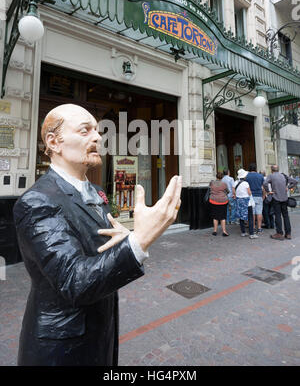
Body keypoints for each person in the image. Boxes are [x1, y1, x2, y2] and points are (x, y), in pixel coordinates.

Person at [13, 104, 182, 366]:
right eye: (85, 131)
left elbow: (98, 251)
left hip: (99, 335)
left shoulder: (94, 191)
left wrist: (125, 239)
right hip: (63, 348)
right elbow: (73, 280)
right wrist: (139, 241)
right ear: (53, 142)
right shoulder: (36, 202)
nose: (97, 137)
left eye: (98, 130)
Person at [264, 165, 297, 240]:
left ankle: (279, 233)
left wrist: (269, 192)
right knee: (285, 216)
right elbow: (295, 181)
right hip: (284, 198)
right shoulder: (283, 176)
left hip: (276, 198)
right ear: (278, 170)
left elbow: (265, 183)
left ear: (271, 170)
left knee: (278, 216)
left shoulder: (271, 176)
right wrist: (288, 188)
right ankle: (288, 233)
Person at [233, 169, 258, 239]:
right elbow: (249, 193)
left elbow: (234, 193)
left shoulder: (235, 183)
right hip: (247, 202)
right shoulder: (246, 183)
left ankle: (243, 232)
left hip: (239, 202)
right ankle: (251, 234)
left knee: (241, 217)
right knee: (250, 218)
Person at [246, 163, 264, 234]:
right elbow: (263, 187)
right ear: (255, 168)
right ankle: (259, 228)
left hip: (250, 196)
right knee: (259, 212)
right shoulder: (260, 176)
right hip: (259, 195)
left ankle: (253, 227)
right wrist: (264, 195)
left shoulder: (246, 176)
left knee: (252, 213)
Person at [209, 172, 229, 236]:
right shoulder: (224, 184)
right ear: (222, 177)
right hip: (223, 201)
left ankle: (215, 231)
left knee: (215, 217)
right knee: (223, 217)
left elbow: (210, 189)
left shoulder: (211, 183)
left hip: (214, 201)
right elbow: (227, 191)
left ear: (216, 176)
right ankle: (224, 231)